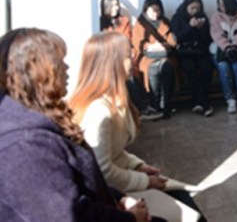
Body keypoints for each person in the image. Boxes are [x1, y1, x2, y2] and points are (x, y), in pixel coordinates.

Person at [0, 28, 153, 222]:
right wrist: (130, 217)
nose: (67, 68)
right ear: (38, 73)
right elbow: (67, 214)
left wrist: (119, 198)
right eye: (59, 63)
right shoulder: (25, 147)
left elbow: (83, 183)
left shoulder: (39, 121)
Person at [69, 32, 204, 222]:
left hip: (116, 184)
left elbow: (113, 152)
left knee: (183, 197)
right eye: (127, 54)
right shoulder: (98, 111)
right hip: (107, 195)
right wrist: (145, 181)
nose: (133, 56)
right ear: (112, 63)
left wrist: (137, 165)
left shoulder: (114, 99)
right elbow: (102, 171)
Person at [101, 0, 162, 121]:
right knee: (126, 76)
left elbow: (127, 40)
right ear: (105, 7)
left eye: (117, 5)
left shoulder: (124, 21)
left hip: (124, 55)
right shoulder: (99, 23)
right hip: (108, 59)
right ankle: (142, 109)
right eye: (113, 5)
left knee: (130, 74)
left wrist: (129, 51)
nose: (116, 8)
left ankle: (142, 108)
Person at [132, 0, 177, 118]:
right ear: (145, 10)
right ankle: (154, 104)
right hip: (147, 56)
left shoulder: (165, 22)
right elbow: (137, 42)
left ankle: (166, 104)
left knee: (168, 68)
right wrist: (151, 46)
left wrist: (164, 45)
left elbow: (172, 41)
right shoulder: (140, 23)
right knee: (152, 69)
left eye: (158, 10)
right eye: (152, 10)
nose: (156, 13)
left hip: (164, 54)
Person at [170, 0, 214, 117]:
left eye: (197, 8)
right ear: (186, 6)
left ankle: (200, 103)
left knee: (207, 67)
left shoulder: (203, 18)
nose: (195, 11)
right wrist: (190, 26)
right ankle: (204, 103)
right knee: (190, 69)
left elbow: (208, 40)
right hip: (185, 52)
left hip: (200, 51)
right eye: (192, 8)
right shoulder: (177, 18)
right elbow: (177, 38)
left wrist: (201, 28)